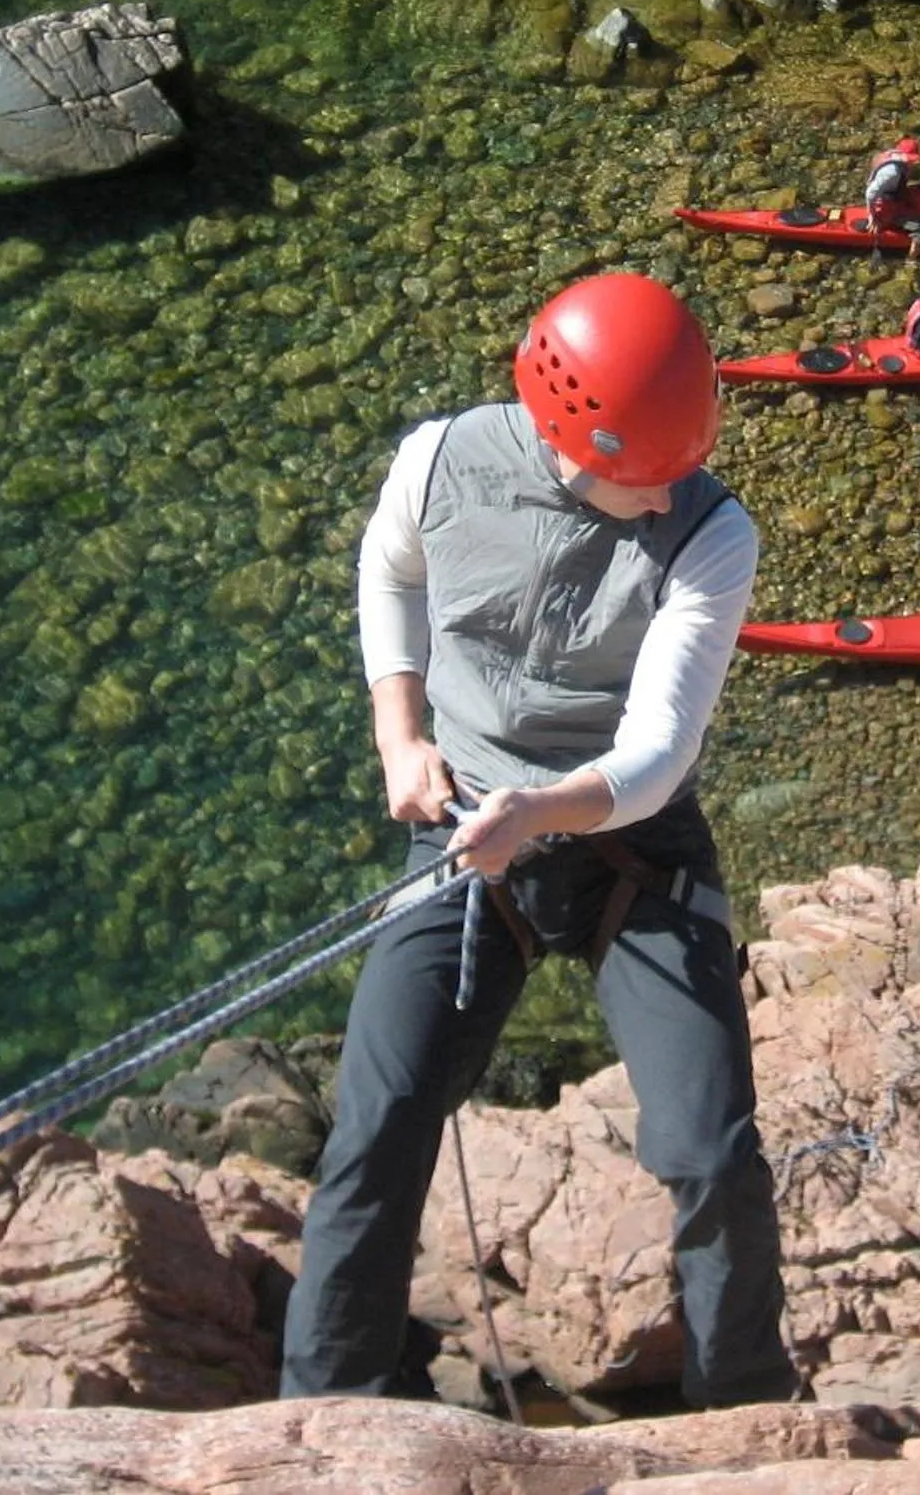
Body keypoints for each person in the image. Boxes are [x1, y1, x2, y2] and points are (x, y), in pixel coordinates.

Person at [281, 270, 800, 1410]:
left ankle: (749, 1409)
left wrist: (536, 814)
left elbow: (658, 751)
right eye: (649, 475)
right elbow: (390, 569)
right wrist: (399, 737)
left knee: (709, 1150)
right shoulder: (439, 461)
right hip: (467, 827)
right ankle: (323, 1418)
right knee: (374, 1129)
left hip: (629, 849)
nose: (671, 495)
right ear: (576, 446)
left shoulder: (710, 533)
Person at [863, 136, 920, 250]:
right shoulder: (892, 173)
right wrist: (873, 217)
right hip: (885, 209)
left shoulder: (893, 156)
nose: (914, 162)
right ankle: (911, 260)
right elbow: (870, 193)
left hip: (893, 196)